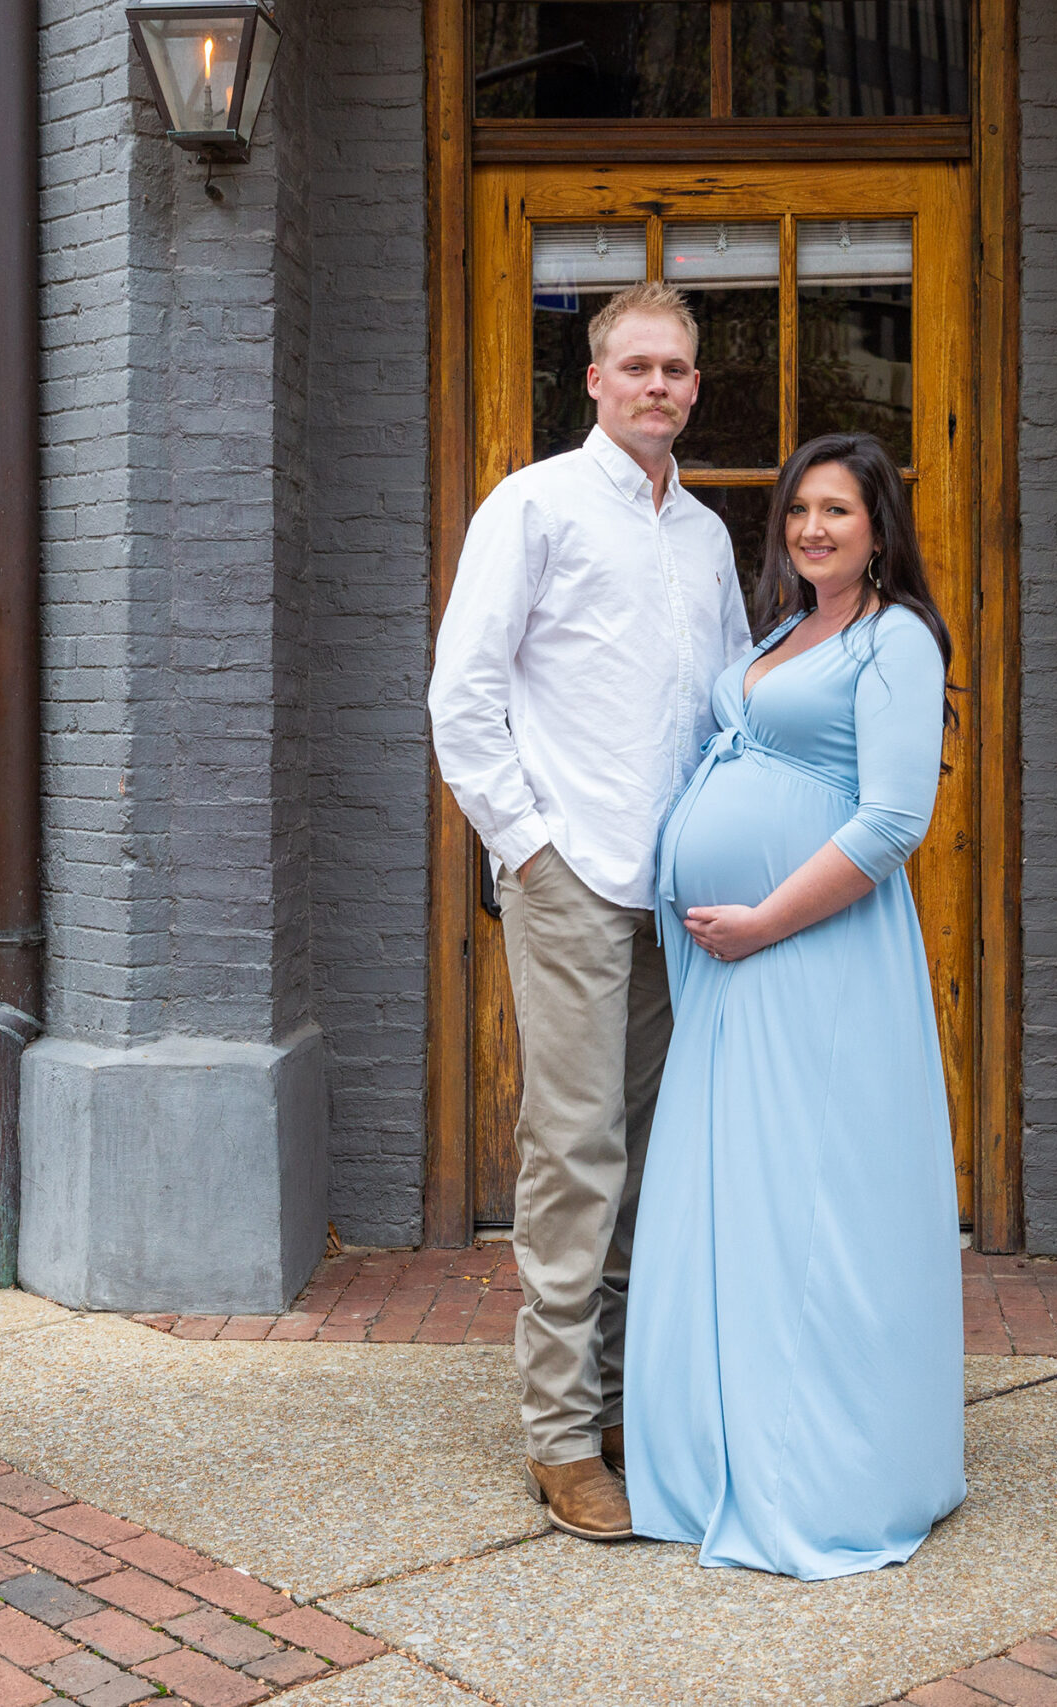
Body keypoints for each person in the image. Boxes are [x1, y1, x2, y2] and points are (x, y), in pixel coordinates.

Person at [428, 281, 750, 1543]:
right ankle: (558, 1436)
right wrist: (528, 847)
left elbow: (726, 702)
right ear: (596, 379)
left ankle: (617, 1404)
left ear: (693, 388)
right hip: (573, 874)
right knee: (573, 1151)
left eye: (676, 369)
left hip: (677, 889)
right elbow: (462, 694)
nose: (658, 385)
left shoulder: (706, 537)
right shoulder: (535, 505)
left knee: (649, 1149)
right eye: (637, 366)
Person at [624, 432, 966, 1579]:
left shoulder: (895, 638)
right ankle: (712, 1452)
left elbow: (892, 821)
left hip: (814, 961)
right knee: (735, 1201)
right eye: (799, 510)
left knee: (811, 1204)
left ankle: (819, 1473)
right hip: (731, 971)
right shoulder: (783, 633)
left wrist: (765, 919)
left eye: (837, 510)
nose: (812, 529)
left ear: (878, 528)